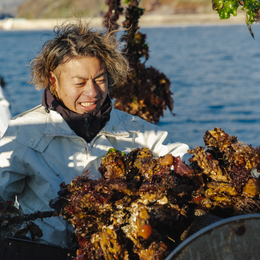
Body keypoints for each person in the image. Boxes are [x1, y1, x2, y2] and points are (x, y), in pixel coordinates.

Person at [0, 20, 189, 248]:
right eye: (79, 83)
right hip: (47, 249)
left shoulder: (133, 128)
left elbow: (179, 158)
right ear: (53, 80)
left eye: (100, 80)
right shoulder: (25, 132)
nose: (92, 92)